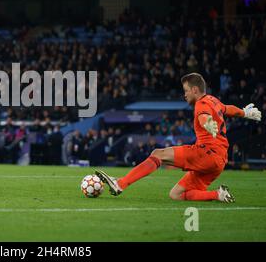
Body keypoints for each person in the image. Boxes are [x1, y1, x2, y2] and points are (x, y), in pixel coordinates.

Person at [96, 73, 262, 202]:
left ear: (195, 90)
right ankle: (218, 194)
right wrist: (245, 113)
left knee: (158, 154)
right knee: (176, 194)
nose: (185, 95)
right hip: (220, 161)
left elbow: (203, 116)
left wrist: (207, 124)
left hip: (206, 153)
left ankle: (120, 184)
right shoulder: (213, 100)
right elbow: (228, 109)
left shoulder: (201, 104)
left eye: (186, 90)